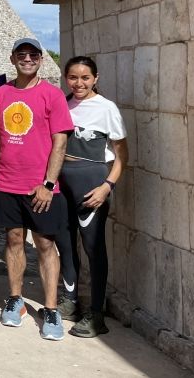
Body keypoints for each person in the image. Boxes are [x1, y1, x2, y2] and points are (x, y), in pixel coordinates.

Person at [0, 37, 73, 341]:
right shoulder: (2, 94)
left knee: (45, 245)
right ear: (12, 58)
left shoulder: (52, 95)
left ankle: (50, 308)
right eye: (22, 54)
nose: (28, 59)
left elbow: (60, 141)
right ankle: (16, 299)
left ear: (41, 60)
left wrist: (48, 184)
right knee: (14, 240)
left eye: (33, 54)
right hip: (8, 182)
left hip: (41, 186)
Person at [55, 56, 127, 338]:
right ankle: (70, 302)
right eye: (73, 77)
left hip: (92, 183)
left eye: (85, 77)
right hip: (63, 183)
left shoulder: (106, 108)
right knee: (66, 243)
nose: (79, 83)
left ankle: (97, 313)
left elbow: (122, 156)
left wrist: (107, 186)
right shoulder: (62, 103)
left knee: (93, 247)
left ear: (95, 78)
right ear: (65, 77)